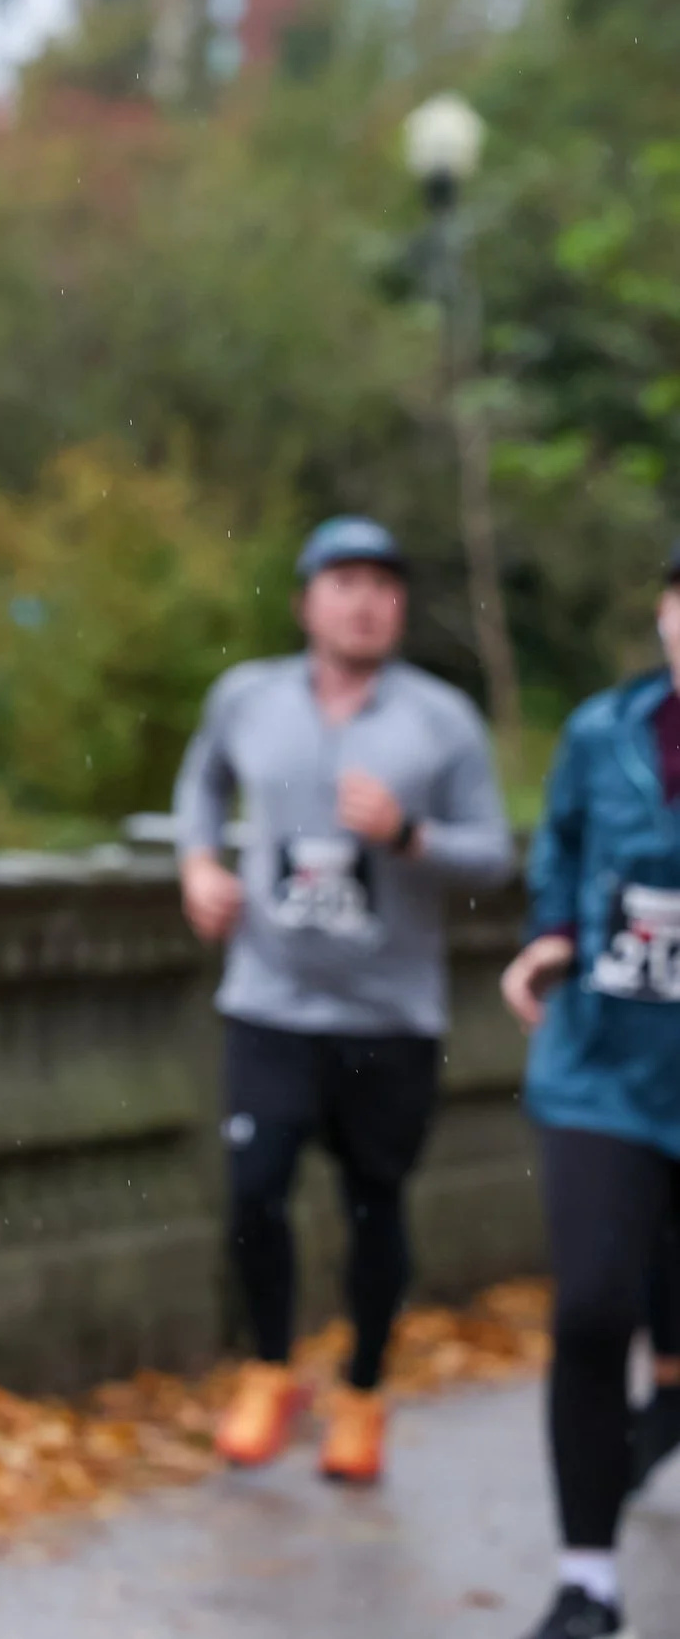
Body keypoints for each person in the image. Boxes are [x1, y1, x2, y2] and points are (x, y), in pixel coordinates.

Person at [172, 516, 515, 1484]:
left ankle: (361, 1388)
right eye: (344, 580)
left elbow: (493, 854)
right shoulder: (247, 697)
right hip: (269, 999)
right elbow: (199, 784)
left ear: (399, 604)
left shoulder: (440, 719)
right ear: (305, 600)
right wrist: (198, 862)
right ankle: (270, 1365)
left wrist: (410, 834)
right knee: (252, 1190)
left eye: (382, 583)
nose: (364, 599)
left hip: (389, 1014)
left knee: (374, 1207)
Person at [496, 542, 680, 1639]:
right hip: (597, 1072)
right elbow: (560, 858)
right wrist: (550, 940)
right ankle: (586, 1577)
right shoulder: (597, 732)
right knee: (591, 1304)